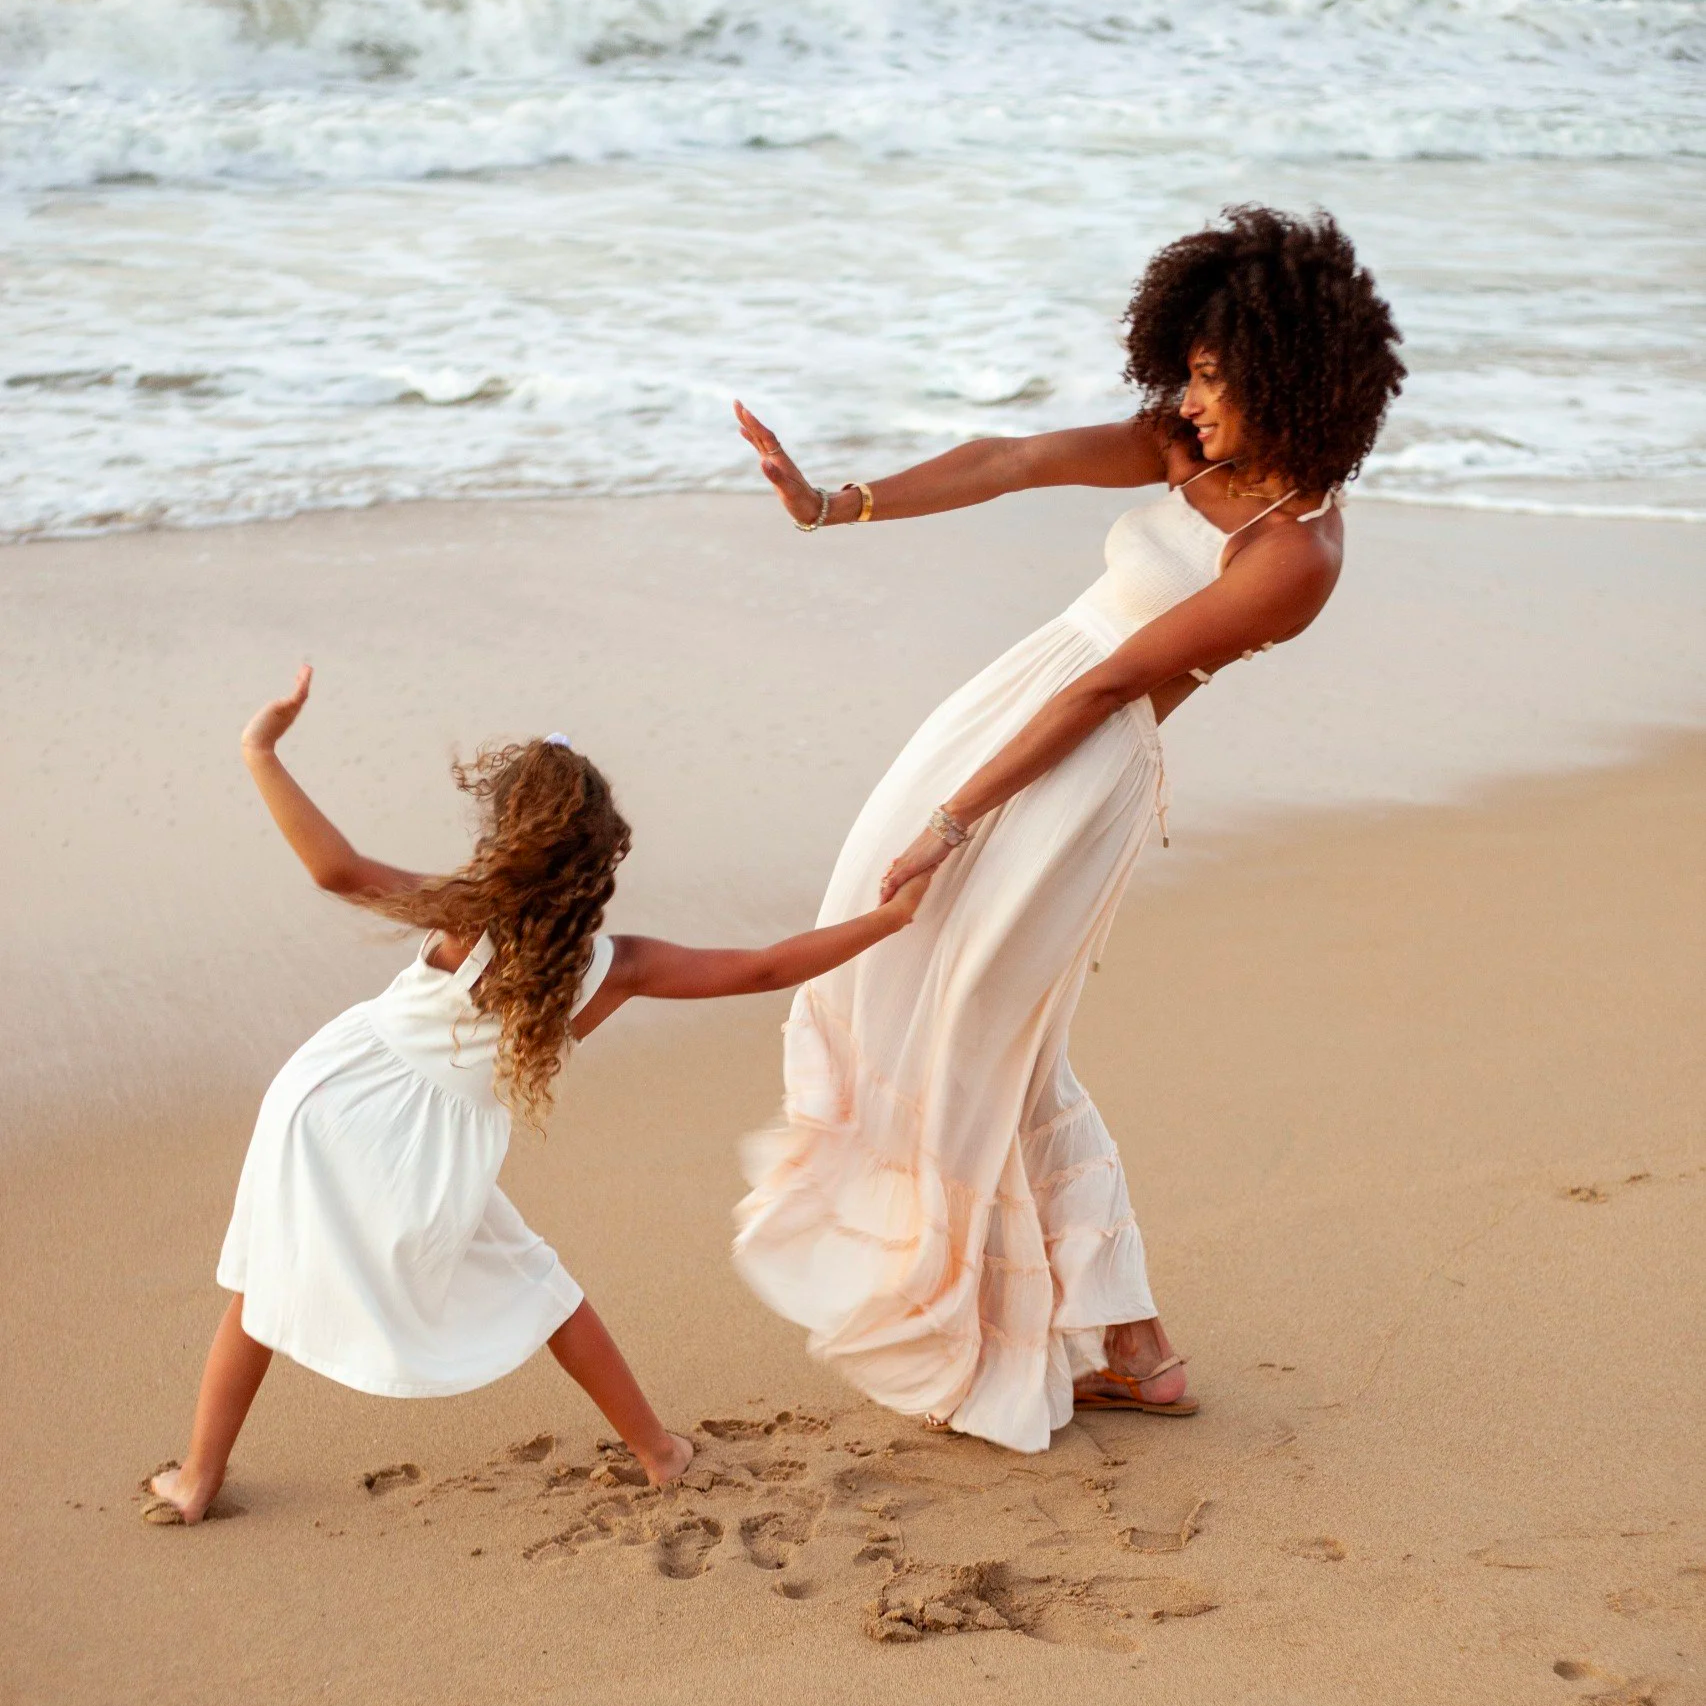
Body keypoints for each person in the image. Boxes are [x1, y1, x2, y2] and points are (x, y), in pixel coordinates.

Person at [730, 205, 1405, 1452]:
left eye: (1215, 377)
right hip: (1009, 706)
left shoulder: (1294, 555)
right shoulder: (1183, 454)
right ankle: (1130, 1343)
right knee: (893, 966)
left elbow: (1107, 689)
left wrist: (952, 815)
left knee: (989, 1026)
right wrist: (832, 504)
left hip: (1075, 759)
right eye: (1187, 371)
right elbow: (1008, 459)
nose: (1189, 400)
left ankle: (1124, 1336)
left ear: (1290, 375)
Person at [143, 666, 931, 1524]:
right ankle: (659, 1453)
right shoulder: (616, 966)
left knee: (265, 1288)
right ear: (602, 858)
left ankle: (197, 1481)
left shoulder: (466, 914)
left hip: (333, 1102)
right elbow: (766, 967)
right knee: (543, 1290)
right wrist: (888, 920)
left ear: (506, 833)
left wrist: (260, 748)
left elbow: (335, 870)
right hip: (418, 1133)